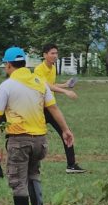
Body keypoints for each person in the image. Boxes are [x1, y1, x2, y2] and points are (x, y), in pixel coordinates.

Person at [0, 47, 74, 205]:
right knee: (33, 173)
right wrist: (65, 130)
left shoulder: (7, 86)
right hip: (40, 139)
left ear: (8, 65)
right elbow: (53, 108)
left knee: (17, 179)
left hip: (19, 139)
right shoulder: (39, 81)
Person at [34, 43, 86, 174]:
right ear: (44, 55)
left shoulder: (52, 68)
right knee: (32, 136)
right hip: (38, 109)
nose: (55, 56)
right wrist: (66, 92)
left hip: (50, 108)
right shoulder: (39, 69)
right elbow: (46, 86)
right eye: (52, 53)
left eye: (56, 53)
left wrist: (65, 85)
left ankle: (71, 165)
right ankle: (31, 166)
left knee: (66, 131)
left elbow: (51, 85)